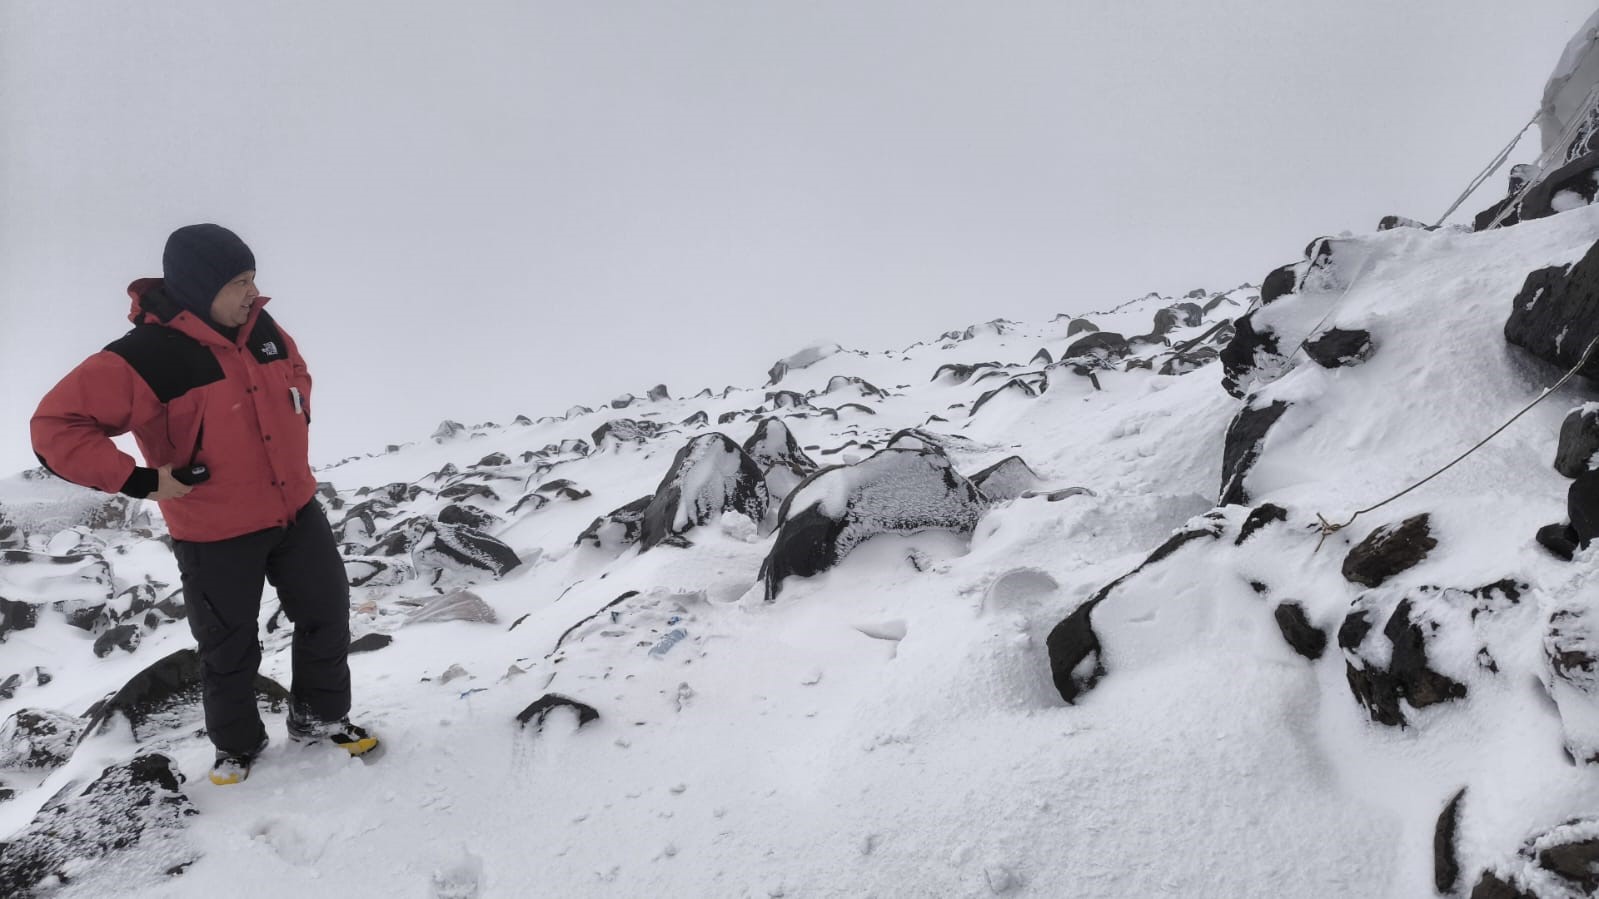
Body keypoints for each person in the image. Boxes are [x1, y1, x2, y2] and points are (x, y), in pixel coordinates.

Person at [31, 224, 377, 785]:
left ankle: (320, 718)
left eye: (253, 279)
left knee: (327, 617)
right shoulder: (143, 356)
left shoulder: (262, 328)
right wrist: (139, 480)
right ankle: (237, 746)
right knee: (229, 647)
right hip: (214, 530)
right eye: (239, 282)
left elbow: (297, 373)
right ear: (199, 285)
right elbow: (55, 428)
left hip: (295, 511)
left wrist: (294, 422)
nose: (253, 294)